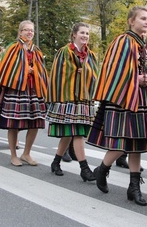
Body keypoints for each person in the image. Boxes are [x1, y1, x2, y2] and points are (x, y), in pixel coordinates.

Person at [87, 6, 147, 206]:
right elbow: (114, 70)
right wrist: (136, 79)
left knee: (137, 142)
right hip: (124, 96)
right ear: (132, 21)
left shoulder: (145, 45)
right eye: (143, 18)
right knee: (123, 141)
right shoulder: (123, 41)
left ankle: (133, 187)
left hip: (142, 96)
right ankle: (102, 169)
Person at [47, 22, 97, 182]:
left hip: (83, 99)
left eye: (87, 34)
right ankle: (84, 168)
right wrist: (77, 71)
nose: (85, 36)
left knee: (70, 134)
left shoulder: (92, 55)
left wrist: (85, 72)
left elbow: (95, 75)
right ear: (74, 34)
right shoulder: (64, 51)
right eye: (82, 33)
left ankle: (55, 162)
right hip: (68, 98)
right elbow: (59, 73)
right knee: (77, 133)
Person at [0, 20, 48, 167]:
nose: (29, 32)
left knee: (35, 122)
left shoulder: (36, 50)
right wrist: (25, 70)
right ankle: (13, 155)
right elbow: (7, 69)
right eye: (26, 30)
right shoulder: (13, 48)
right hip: (17, 90)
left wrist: (35, 71)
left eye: (32, 30)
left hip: (33, 89)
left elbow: (42, 69)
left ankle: (26, 153)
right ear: (20, 32)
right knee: (14, 124)